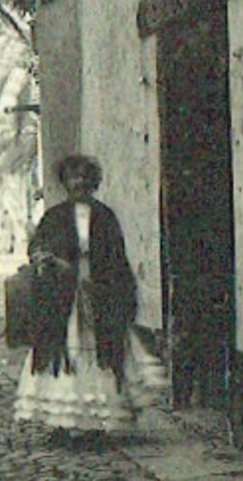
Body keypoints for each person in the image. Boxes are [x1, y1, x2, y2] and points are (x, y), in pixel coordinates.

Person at [13, 153, 165, 440]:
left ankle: (95, 423)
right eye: (73, 176)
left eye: (84, 176)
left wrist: (113, 291)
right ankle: (61, 422)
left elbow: (117, 259)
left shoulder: (105, 217)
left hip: (98, 298)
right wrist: (44, 258)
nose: (79, 182)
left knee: (97, 356)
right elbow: (38, 247)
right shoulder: (54, 216)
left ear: (93, 182)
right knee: (64, 354)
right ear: (65, 182)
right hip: (62, 301)